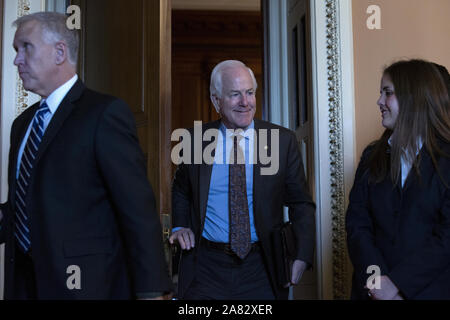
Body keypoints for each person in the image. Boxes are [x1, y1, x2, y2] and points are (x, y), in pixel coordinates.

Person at [0, 12, 172, 299]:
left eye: (25, 47)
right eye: (16, 50)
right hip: (23, 285)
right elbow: (23, 206)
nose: (17, 60)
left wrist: (150, 291)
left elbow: (136, 210)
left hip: (85, 286)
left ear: (59, 52)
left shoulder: (104, 114)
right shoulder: (23, 124)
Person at [169, 60, 315, 299]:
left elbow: (301, 203)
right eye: (235, 94)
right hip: (206, 268)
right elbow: (181, 189)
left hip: (263, 267)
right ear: (216, 101)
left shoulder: (281, 142)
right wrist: (180, 225)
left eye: (249, 93)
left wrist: (302, 256)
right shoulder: (195, 140)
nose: (245, 102)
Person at [346, 59, 450, 300]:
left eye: (388, 93)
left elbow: (446, 238)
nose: (379, 101)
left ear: (413, 98)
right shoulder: (372, 156)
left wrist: (397, 284)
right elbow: (357, 225)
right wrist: (377, 281)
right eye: (381, 93)